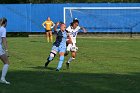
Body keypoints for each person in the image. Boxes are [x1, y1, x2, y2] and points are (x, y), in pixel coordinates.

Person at [0, 17, 10, 84]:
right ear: (5, 23)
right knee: (7, 62)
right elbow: (4, 40)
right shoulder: (3, 29)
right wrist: (6, 50)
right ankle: (2, 79)